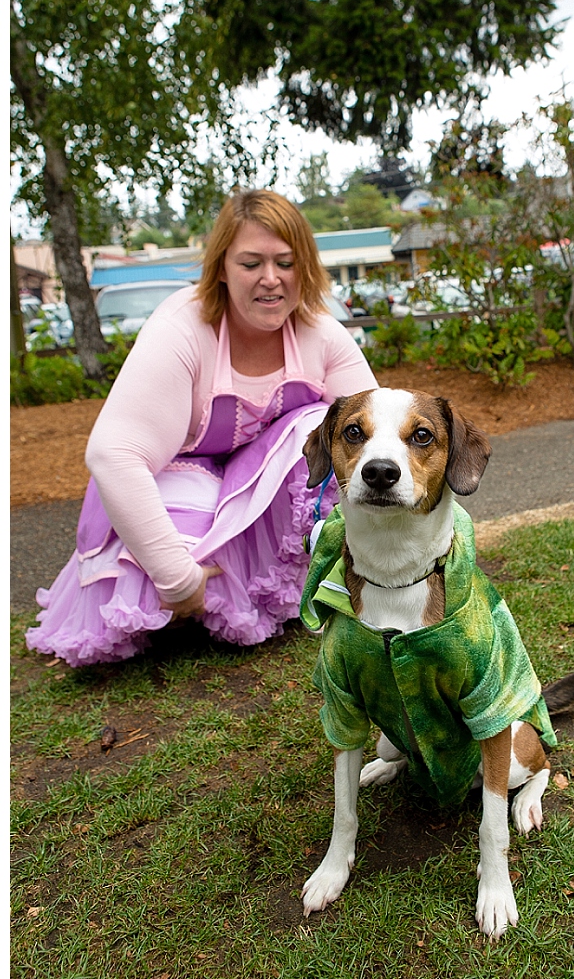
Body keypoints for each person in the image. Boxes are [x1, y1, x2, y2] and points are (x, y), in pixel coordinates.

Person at [27, 189, 377, 667]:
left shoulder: (320, 332)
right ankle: (199, 587)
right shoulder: (183, 327)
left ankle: (284, 582)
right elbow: (113, 455)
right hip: (174, 476)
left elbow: (379, 430)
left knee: (326, 426)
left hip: (252, 484)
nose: (271, 279)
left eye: (286, 263)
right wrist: (176, 577)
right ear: (221, 268)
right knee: (151, 587)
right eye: (251, 263)